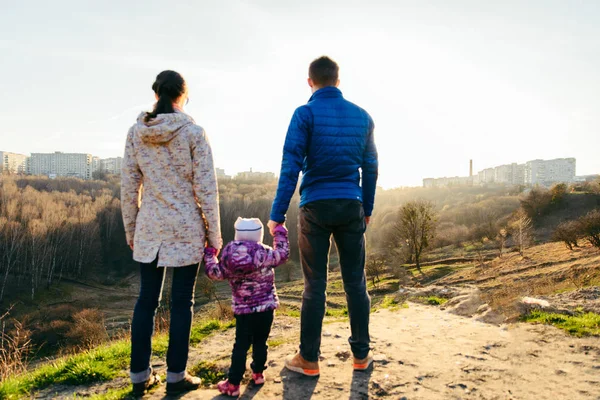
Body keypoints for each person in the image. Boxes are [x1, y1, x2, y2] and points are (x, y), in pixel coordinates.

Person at [268, 56, 378, 376]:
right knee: (355, 282)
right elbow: (370, 168)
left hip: (315, 206)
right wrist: (367, 209)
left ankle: (309, 360)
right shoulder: (362, 116)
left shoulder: (304, 114)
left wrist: (277, 214)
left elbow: (290, 165)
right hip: (350, 204)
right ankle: (361, 356)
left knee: (314, 285)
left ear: (310, 82)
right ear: (338, 82)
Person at [121, 70, 222, 396]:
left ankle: (139, 377)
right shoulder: (193, 132)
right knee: (182, 303)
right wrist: (215, 236)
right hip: (185, 228)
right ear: (183, 95)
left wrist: (131, 228)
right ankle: (176, 377)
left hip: (149, 226)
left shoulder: (136, 134)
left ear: (157, 94)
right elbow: (207, 189)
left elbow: (128, 187)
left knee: (145, 302)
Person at [204, 217, 289, 397]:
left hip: (244, 311)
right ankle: (258, 374)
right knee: (261, 342)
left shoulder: (228, 256)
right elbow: (283, 253)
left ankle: (233, 384)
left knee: (241, 345)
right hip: (266, 309)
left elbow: (214, 272)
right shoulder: (264, 253)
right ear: (259, 235)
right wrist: (280, 232)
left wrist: (210, 255)